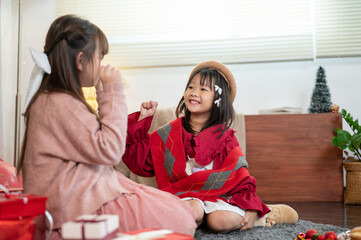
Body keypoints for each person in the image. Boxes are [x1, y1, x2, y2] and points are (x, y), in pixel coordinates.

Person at [17, 15, 197, 239]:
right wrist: (113, 89)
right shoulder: (59, 102)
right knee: (183, 220)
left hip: (86, 189)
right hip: (74, 208)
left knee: (180, 209)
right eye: (99, 58)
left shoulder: (57, 99)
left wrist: (102, 92)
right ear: (81, 60)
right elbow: (111, 151)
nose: (101, 65)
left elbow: (94, 139)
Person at [123, 61, 299, 233]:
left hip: (222, 196)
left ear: (219, 100)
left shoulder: (225, 137)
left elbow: (240, 176)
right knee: (192, 210)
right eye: (191, 87)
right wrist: (143, 120)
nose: (194, 93)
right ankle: (195, 220)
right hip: (184, 195)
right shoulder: (168, 132)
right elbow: (139, 162)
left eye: (203, 89)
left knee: (219, 222)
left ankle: (266, 216)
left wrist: (251, 207)